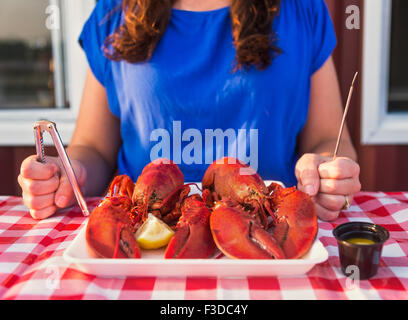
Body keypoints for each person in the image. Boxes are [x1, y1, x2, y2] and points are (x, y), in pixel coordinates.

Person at [18, 0, 361, 222]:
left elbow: (330, 137)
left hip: (269, 225)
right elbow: (93, 147)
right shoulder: (112, 13)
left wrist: (328, 173)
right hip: (145, 232)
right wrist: (69, 173)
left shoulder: (302, 9)